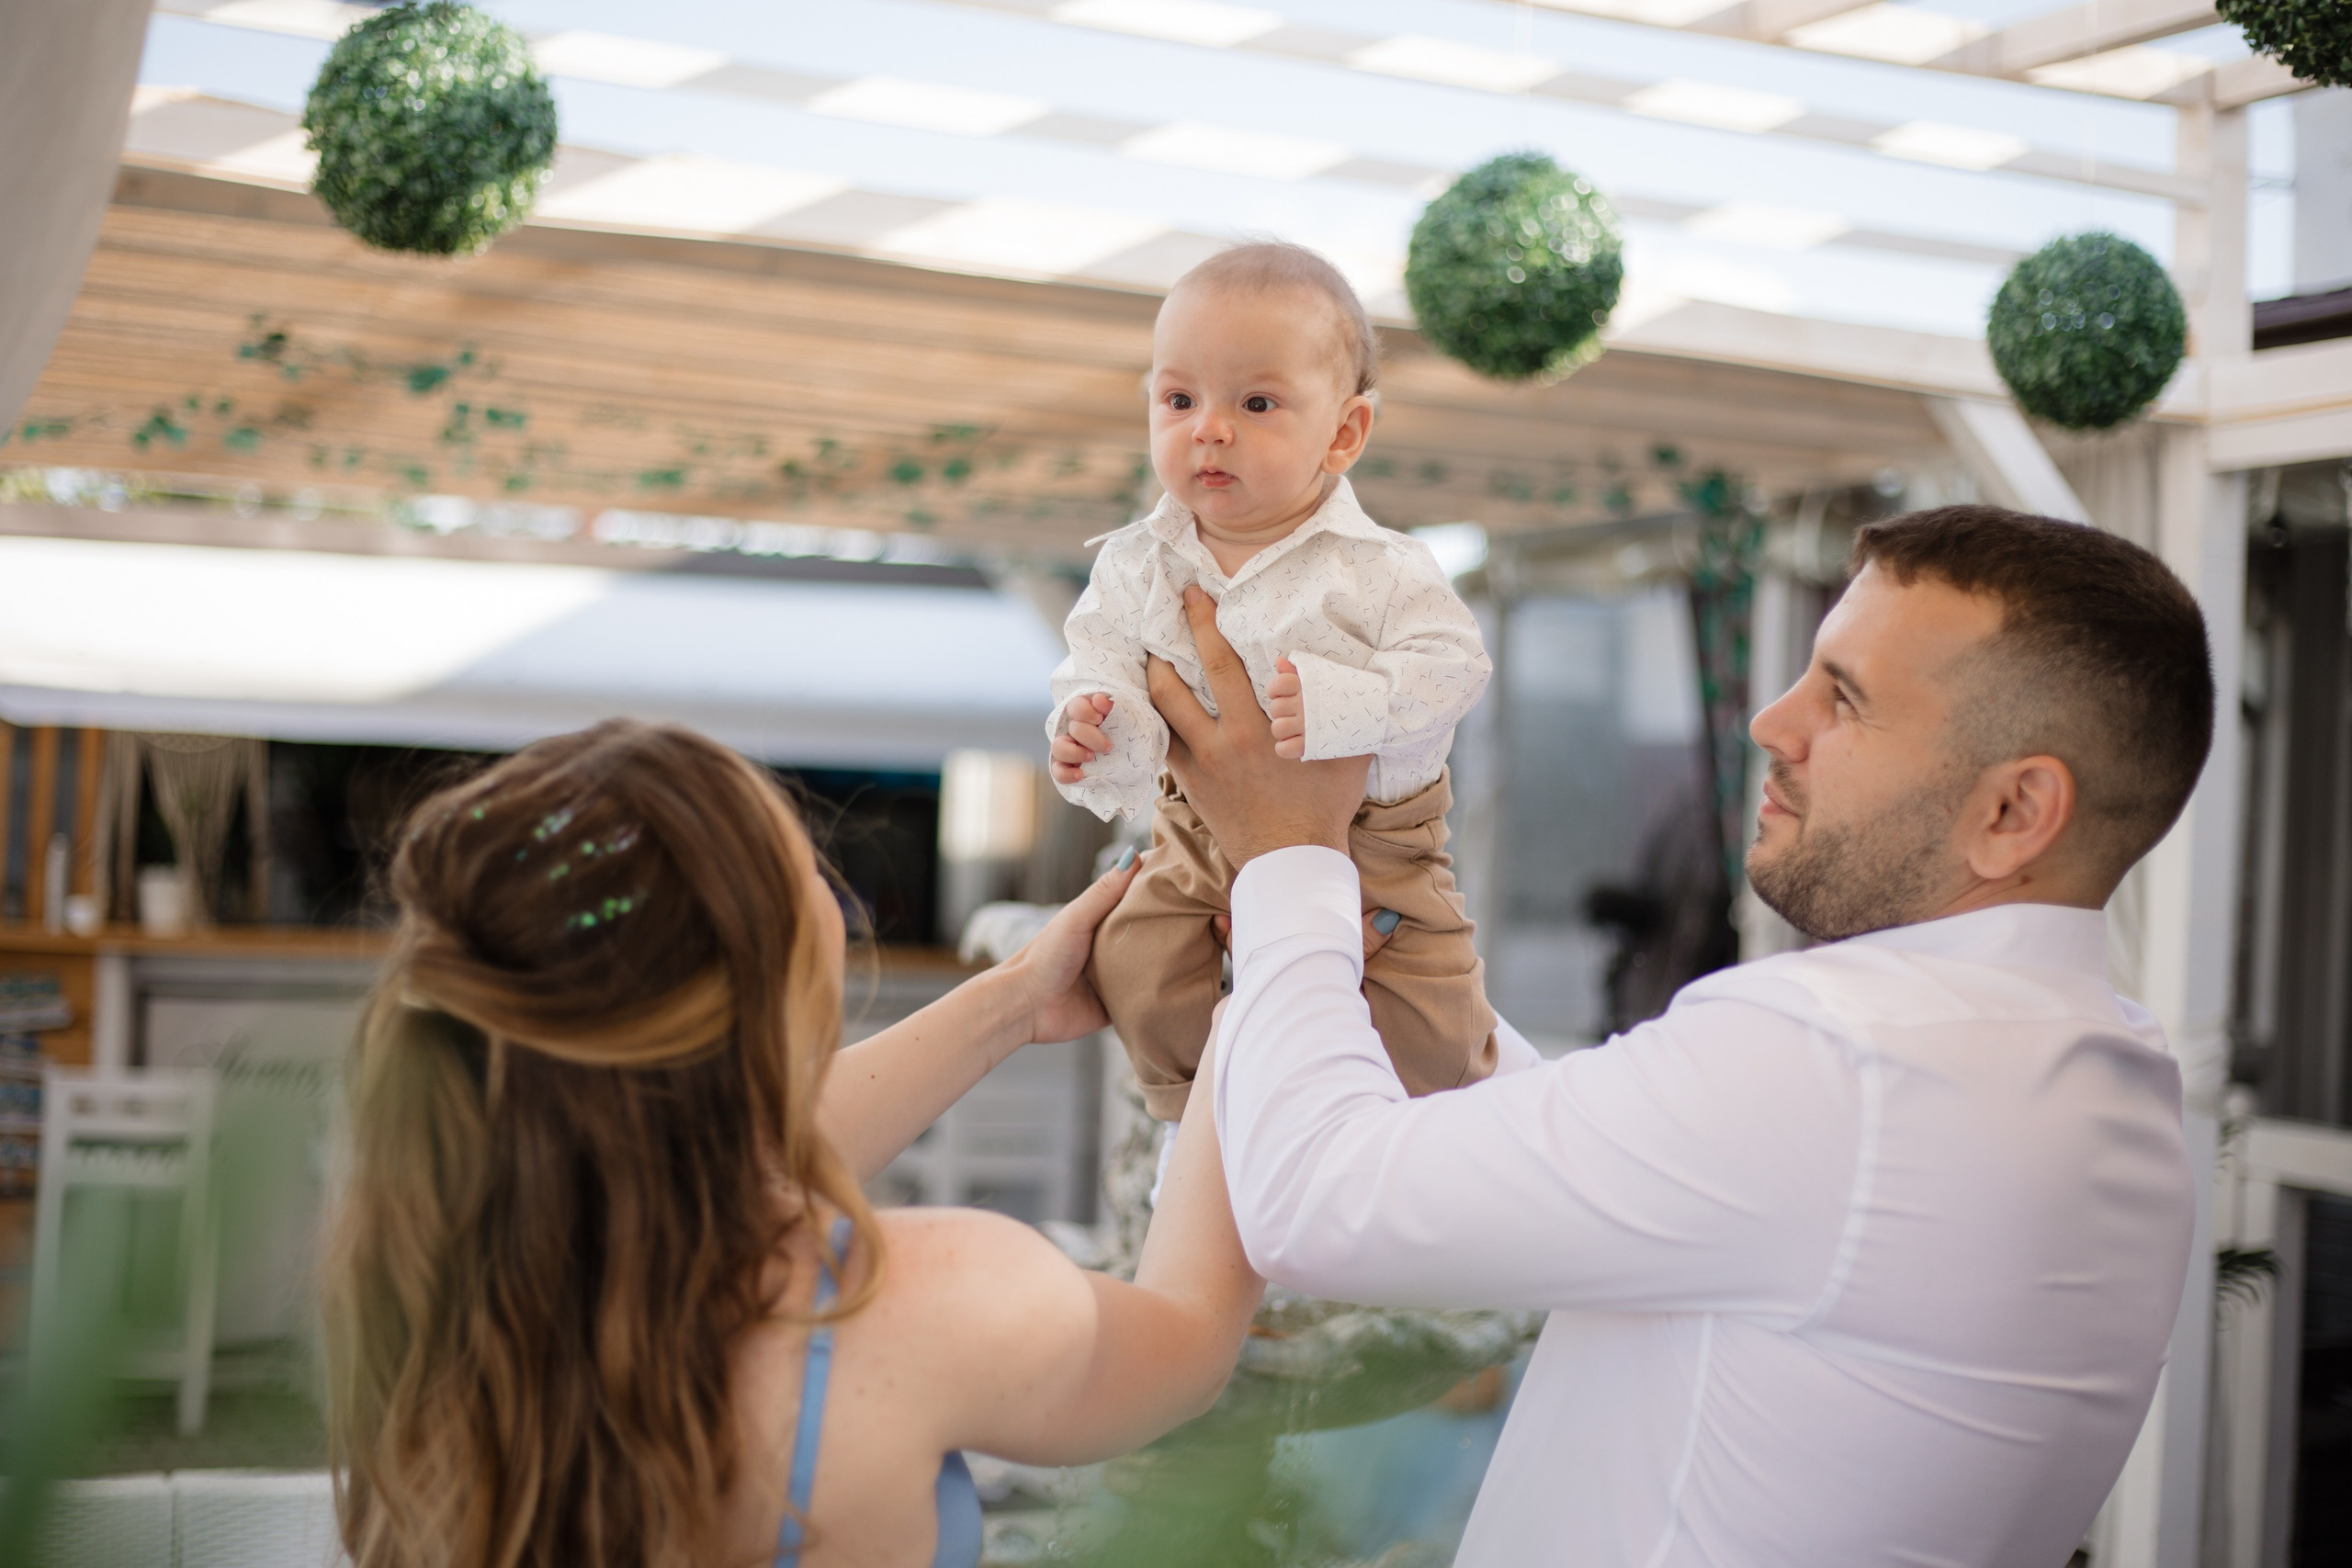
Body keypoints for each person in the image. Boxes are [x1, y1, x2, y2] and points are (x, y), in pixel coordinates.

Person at [1153, 504, 2211, 1566]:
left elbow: (1316, 1208)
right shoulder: (2108, 1078)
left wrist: (1287, 853)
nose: (1771, 722)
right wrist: (1409, 996)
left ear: (2014, 812)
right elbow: (1665, 1178)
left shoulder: (1844, 1055)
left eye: (1843, 698)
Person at [322, 720, 1261, 1568]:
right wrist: (1250, 1026)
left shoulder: (429, 1266)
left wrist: (1013, 999)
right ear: (775, 964)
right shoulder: (932, 1304)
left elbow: (725, 1149)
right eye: (803, 863)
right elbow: (1189, 1338)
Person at [1047, 240, 1498, 1129]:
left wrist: (1345, 705)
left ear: (1343, 433)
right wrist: (1094, 724)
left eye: (1255, 403)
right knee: (1131, 959)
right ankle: (1203, 1112)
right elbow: (1097, 656)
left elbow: (1454, 667)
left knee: (1425, 1009)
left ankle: (1414, 1121)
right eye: (1179, 400)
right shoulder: (1138, 562)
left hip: (1376, 843)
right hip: (1192, 824)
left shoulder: (1379, 568)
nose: (1208, 428)